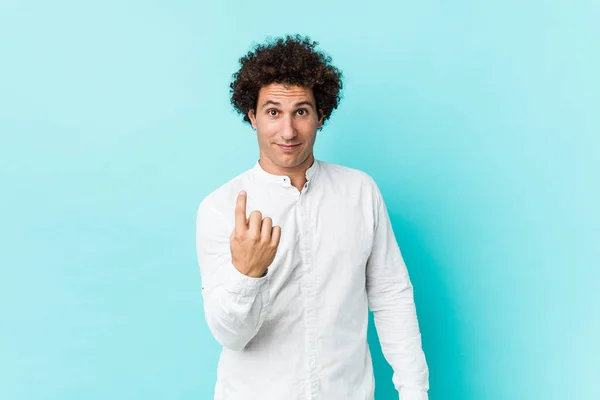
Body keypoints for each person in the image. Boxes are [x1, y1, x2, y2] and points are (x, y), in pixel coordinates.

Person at [195, 34, 429, 400]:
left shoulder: (360, 192)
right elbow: (230, 335)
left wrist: (415, 392)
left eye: (301, 112)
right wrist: (248, 274)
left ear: (321, 115)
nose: (288, 131)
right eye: (273, 112)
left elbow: (391, 296)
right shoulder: (220, 208)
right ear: (252, 116)